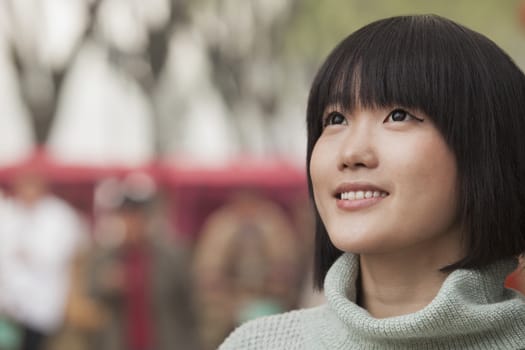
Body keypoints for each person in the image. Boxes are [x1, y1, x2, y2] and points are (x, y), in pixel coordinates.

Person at [219, 14, 525, 349]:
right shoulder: (260, 345)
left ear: (487, 147)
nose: (351, 152)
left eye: (398, 115)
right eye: (336, 119)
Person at [87, 174, 200, 350]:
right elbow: (90, 298)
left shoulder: (172, 257)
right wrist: (107, 285)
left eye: (138, 218)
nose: (133, 224)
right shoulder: (105, 258)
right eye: (127, 218)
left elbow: (190, 306)